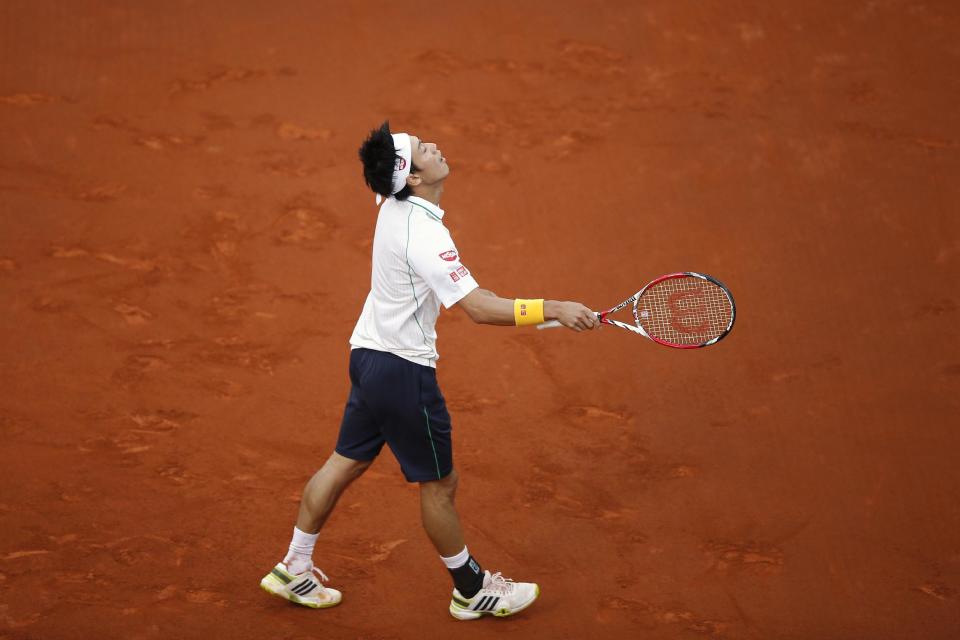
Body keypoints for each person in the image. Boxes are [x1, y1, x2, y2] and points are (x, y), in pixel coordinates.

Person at [260, 121, 599, 620]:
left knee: (346, 461)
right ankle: (471, 589)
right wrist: (555, 307)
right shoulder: (425, 234)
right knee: (440, 484)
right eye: (422, 149)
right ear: (413, 178)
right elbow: (479, 307)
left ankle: (294, 565)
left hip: (367, 357)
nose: (435, 145)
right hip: (402, 374)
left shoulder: (393, 204)